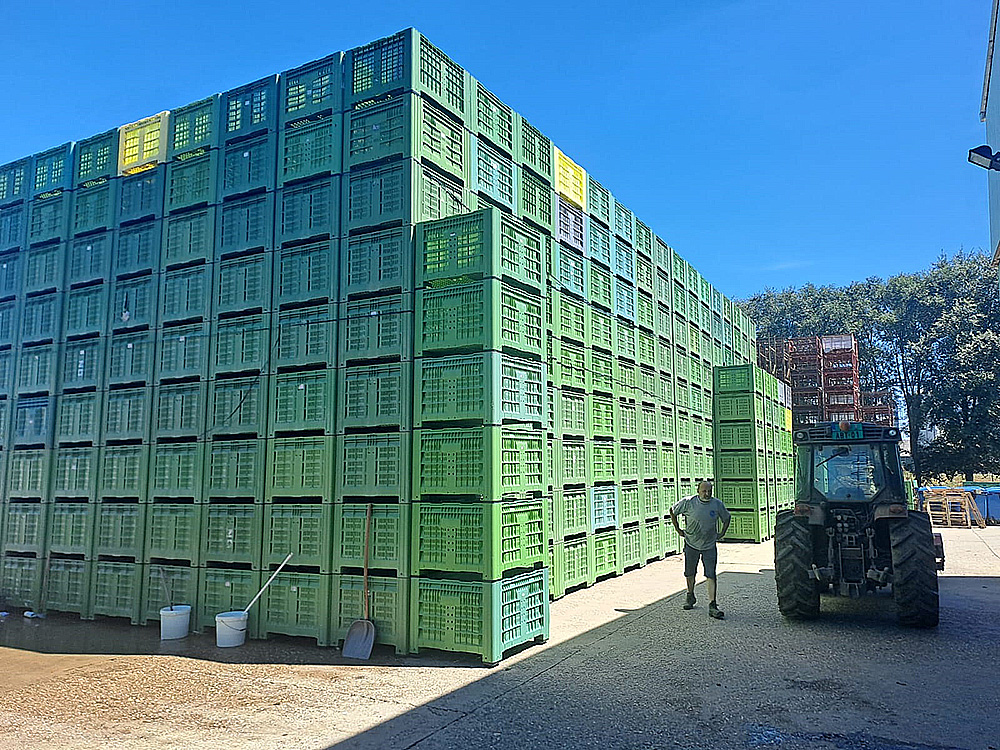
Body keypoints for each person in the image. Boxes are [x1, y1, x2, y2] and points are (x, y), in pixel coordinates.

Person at [671, 480, 731, 620]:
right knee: (690, 572)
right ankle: (690, 595)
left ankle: (712, 604)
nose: (707, 493)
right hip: (691, 544)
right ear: (698, 491)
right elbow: (673, 511)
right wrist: (678, 529)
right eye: (704, 491)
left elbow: (727, 518)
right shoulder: (688, 502)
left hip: (709, 545)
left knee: (711, 574)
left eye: (709, 491)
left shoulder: (717, 504)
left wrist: (722, 533)